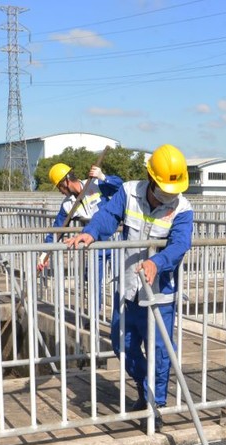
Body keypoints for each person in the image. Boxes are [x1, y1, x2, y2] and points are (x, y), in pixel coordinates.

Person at [64, 144, 193, 424]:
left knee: (159, 352)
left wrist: (156, 262)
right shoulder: (130, 192)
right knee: (123, 344)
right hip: (128, 287)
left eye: (173, 190)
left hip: (159, 292)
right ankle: (144, 390)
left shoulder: (182, 207)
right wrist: (90, 233)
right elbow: (108, 216)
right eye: (163, 189)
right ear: (150, 178)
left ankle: (154, 407)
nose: (168, 196)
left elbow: (180, 244)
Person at [38, 161, 123, 316]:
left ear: (66, 181)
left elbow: (122, 188)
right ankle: (94, 318)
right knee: (93, 282)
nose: (60, 192)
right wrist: (44, 254)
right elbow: (57, 230)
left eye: (59, 187)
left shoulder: (95, 184)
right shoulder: (68, 205)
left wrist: (103, 176)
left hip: (116, 241)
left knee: (121, 281)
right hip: (93, 245)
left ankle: (121, 321)